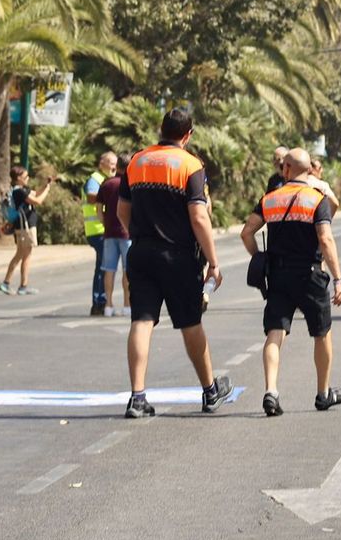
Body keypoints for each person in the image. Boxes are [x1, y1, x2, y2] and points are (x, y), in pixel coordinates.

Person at [117, 107, 233, 418]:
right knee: (190, 322)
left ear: (161, 129)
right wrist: (214, 262)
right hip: (178, 257)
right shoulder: (190, 165)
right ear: (188, 134)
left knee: (141, 321)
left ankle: (137, 397)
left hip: (140, 253)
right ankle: (210, 391)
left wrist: (139, 236)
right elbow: (198, 216)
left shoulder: (137, 161)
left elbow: (122, 212)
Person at [240, 148, 341, 416]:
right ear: (309, 170)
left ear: (286, 169)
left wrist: (260, 257)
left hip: (278, 275)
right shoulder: (316, 199)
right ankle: (323, 393)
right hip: (310, 275)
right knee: (321, 333)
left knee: (275, 332)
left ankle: (271, 391)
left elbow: (246, 232)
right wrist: (338, 279)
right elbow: (325, 239)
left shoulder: (270, 198)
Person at [0, 166, 54, 295]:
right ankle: (23, 285)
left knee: (19, 255)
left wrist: (46, 186)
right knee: (26, 256)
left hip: (23, 226)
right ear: (18, 178)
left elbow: (36, 193)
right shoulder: (19, 192)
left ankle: (6, 282)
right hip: (26, 227)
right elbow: (37, 201)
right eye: (25, 177)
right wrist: (47, 191)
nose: (27, 179)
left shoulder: (21, 190)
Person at [97, 155, 131, 316]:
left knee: (109, 270)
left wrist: (105, 224)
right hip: (127, 233)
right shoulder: (130, 183)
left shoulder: (106, 184)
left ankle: (108, 306)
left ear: (116, 166)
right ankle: (127, 305)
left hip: (109, 233)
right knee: (128, 270)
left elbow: (98, 209)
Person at [84, 150, 117, 316]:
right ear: (101, 163)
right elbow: (91, 196)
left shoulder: (106, 180)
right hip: (97, 230)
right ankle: (99, 302)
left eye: (115, 163)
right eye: (110, 162)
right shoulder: (95, 179)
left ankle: (99, 302)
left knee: (102, 267)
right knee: (104, 268)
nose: (113, 166)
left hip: (103, 230)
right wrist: (108, 195)